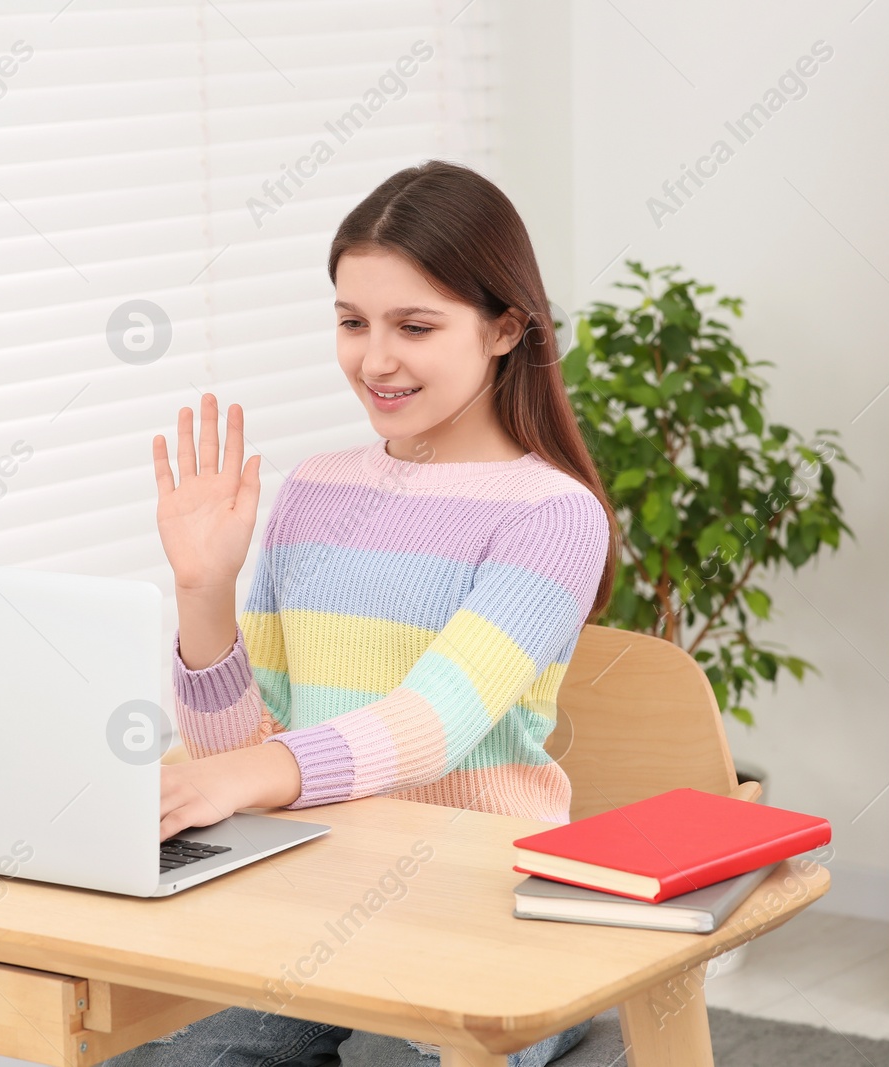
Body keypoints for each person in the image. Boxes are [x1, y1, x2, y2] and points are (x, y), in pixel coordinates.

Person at [112, 160, 619, 1067]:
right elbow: (239, 747)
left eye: (414, 326)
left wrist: (245, 776)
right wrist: (204, 592)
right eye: (352, 322)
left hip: (486, 898)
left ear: (506, 328)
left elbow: (430, 726)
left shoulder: (553, 517)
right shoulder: (314, 490)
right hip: (313, 888)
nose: (374, 359)